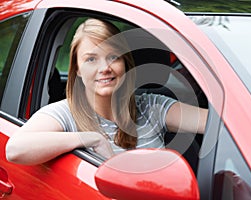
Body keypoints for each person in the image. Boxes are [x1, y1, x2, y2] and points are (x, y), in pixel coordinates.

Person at [5, 18, 208, 165]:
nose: (105, 68)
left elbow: (218, 124)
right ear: (78, 70)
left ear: (125, 63)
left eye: (113, 57)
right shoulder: (65, 113)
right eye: (91, 59)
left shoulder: (151, 106)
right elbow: (15, 149)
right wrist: (91, 138)